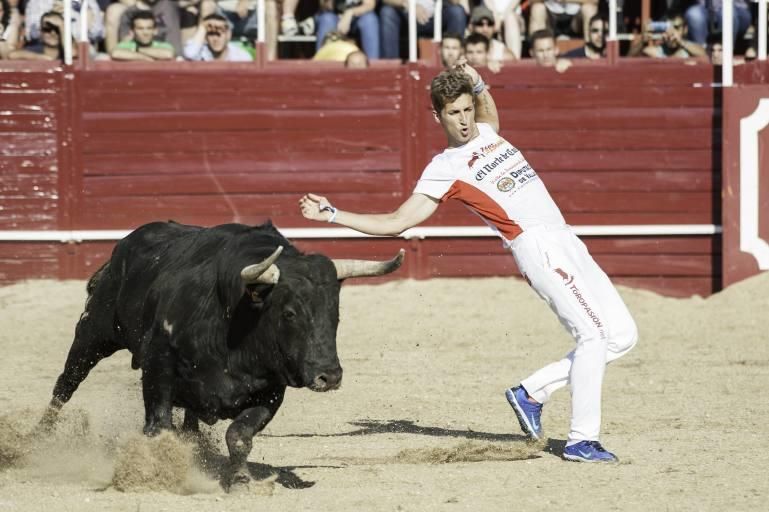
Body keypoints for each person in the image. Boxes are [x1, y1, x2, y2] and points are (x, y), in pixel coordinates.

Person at [298, 59, 638, 463]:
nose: (465, 122)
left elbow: (489, 113)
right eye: (454, 114)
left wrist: (479, 83)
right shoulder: (444, 169)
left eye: (467, 110)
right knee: (593, 335)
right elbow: (397, 222)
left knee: (621, 336)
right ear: (437, 115)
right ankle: (582, 440)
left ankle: (531, 392)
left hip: (567, 239)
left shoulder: (487, 130)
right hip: (537, 248)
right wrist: (335, 214)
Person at [379, 0, 467, 60]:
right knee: (387, 12)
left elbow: (456, 1)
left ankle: (455, 63)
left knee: (457, 12)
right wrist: (409, 4)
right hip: (404, 18)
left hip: (437, 17)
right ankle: (391, 66)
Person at [315, 0, 379, 59]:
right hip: (334, 16)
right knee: (327, 19)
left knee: (369, 19)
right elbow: (325, 6)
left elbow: (370, 5)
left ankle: (373, 63)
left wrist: (349, 13)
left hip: (358, 16)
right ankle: (321, 62)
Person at [628, 10, 705, 59]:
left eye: (676, 28)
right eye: (667, 28)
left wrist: (681, 42)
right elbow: (629, 60)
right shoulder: (654, 52)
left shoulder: (691, 48)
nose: (671, 32)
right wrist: (642, 40)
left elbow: (705, 55)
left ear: (685, 30)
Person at [183, 13, 253, 60]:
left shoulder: (240, 56)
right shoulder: (201, 52)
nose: (215, 39)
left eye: (219, 34)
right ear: (206, 37)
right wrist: (203, 26)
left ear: (228, 35)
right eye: (211, 34)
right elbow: (189, 54)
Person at [111, 10, 175, 60]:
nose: (145, 33)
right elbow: (115, 53)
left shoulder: (163, 46)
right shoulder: (125, 45)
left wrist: (138, 50)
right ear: (132, 32)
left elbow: (168, 54)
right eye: (140, 28)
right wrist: (145, 58)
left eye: (149, 28)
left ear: (155, 31)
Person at [528, 0, 597, 42]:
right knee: (537, 8)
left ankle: (591, 51)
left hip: (576, 20)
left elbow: (595, 1)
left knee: (589, 9)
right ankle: (537, 50)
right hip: (550, 18)